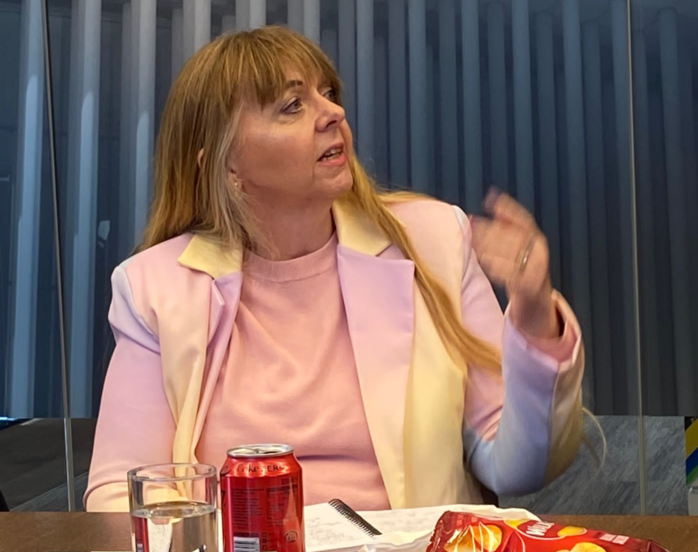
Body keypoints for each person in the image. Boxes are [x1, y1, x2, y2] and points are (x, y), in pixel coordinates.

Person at [86, 26, 584, 512]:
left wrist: (535, 316)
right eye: (293, 105)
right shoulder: (154, 288)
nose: (335, 113)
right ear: (226, 164)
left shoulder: (433, 241)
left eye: (328, 94)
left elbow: (519, 466)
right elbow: (120, 492)